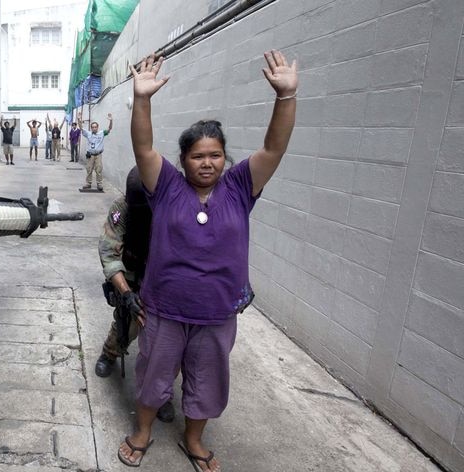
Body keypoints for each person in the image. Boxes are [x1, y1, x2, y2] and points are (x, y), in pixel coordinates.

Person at [116, 50, 297, 471]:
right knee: (152, 375)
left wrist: (285, 96)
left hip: (217, 311)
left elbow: (274, 147)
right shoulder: (166, 187)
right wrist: (142, 99)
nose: (207, 163)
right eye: (198, 156)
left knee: (208, 380)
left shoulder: (240, 188)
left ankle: (193, 439)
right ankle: (142, 432)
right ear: (183, 161)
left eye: (214, 155)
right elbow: (143, 146)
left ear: (224, 158)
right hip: (164, 307)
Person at [95, 167, 175, 423]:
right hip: (131, 273)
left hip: (165, 279)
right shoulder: (122, 210)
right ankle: (109, 353)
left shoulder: (174, 207)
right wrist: (126, 294)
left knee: (165, 342)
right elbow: (108, 252)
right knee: (126, 324)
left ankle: (160, 394)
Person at [78, 110, 113, 190]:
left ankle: (99, 184)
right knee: (89, 169)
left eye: (95, 127)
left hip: (98, 155)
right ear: (91, 128)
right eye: (93, 127)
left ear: (97, 127)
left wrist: (111, 120)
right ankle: (88, 183)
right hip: (90, 155)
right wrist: (79, 119)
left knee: (99, 169)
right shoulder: (88, 134)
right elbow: (81, 128)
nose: (94, 128)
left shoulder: (101, 133)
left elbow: (109, 129)